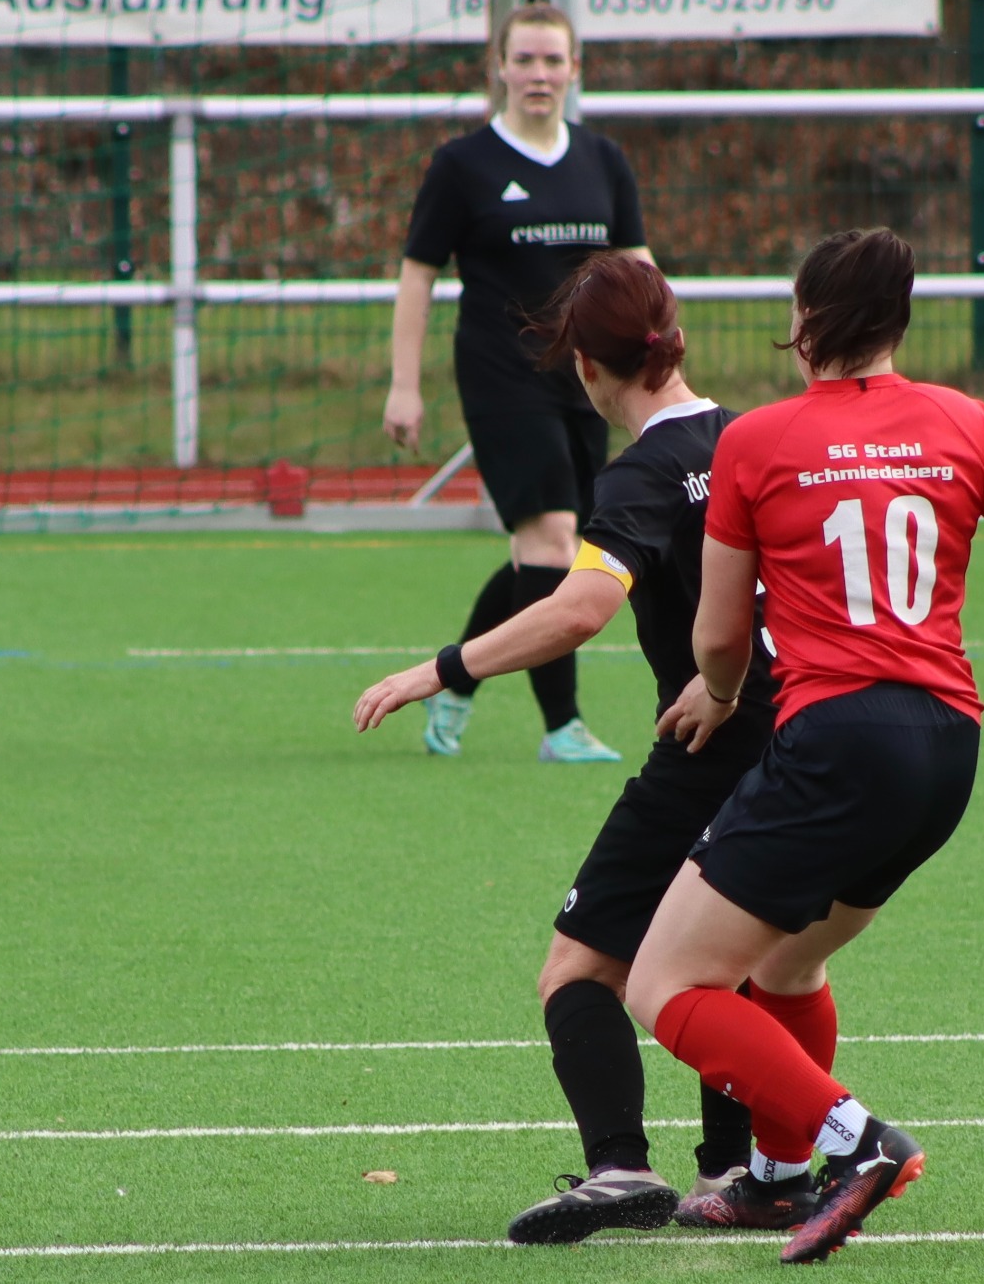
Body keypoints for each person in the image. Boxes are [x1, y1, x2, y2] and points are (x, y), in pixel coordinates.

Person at [622, 228, 984, 1264]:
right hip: (944, 748)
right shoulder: (965, 421)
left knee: (663, 986)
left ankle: (856, 1141)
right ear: (898, 322)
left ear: (805, 322)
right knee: (787, 965)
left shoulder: (754, 439)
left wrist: (722, 693)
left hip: (837, 741)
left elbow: (718, 636)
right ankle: (776, 1180)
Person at [358, 254, 818, 1244]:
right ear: (675, 339)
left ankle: (619, 1167)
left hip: (708, 746)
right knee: (727, 964)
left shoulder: (642, 472)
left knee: (576, 971)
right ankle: (735, 1170)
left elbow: (578, 610)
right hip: (797, 737)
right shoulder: (757, 436)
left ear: (586, 369)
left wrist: (443, 668)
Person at [384, 0, 651, 763]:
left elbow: (637, 266)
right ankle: (562, 726)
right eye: (524, 58)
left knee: (551, 550)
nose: (539, 73)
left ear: (575, 68)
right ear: (499, 67)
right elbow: (417, 275)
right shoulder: (462, 165)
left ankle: (455, 682)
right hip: (501, 375)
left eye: (552, 59)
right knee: (553, 538)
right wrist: (404, 383)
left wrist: (660, 348)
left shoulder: (603, 160)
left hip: (587, 379)